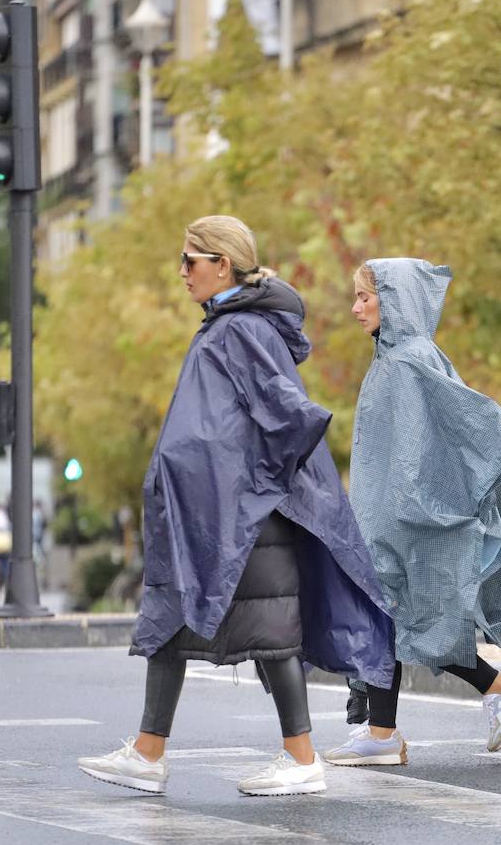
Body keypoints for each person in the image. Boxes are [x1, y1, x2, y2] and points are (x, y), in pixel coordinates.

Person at [77, 215, 394, 797]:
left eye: (190, 261)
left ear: (222, 265)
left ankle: (300, 761)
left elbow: (284, 413)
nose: (181, 273)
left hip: (246, 513)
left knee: (270, 632)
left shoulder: (239, 329)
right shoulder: (232, 325)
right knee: (177, 620)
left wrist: (226, 472)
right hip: (232, 509)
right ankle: (149, 753)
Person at [324, 259, 501, 766]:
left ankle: (497, 687)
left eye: (367, 297)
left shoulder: (409, 361)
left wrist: (422, 502)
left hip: (410, 520)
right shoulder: (397, 360)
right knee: (392, 620)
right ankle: (383, 731)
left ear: (395, 301)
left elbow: (463, 426)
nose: (355, 307)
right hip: (393, 517)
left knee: (416, 620)